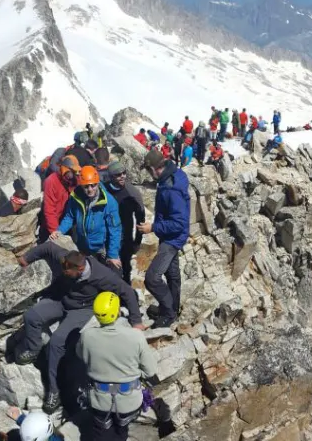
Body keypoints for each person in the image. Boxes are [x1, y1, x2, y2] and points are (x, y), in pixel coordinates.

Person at [15, 243, 144, 412]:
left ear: (81, 269)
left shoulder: (102, 275)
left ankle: (54, 390)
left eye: (67, 271)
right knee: (31, 316)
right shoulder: (67, 258)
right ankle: (33, 348)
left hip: (83, 309)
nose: (63, 271)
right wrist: (26, 258)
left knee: (56, 342)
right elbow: (47, 247)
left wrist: (136, 322)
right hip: (61, 300)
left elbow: (126, 291)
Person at [77, 292, 160, 441]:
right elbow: (150, 371)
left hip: (99, 399)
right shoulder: (135, 336)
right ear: (117, 312)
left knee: (100, 432)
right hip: (128, 401)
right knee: (121, 430)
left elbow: (81, 356)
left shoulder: (86, 336)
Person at [137, 149, 190, 329]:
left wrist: (153, 227)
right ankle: (173, 307)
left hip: (172, 239)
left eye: (148, 170)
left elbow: (179, 223)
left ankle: (168, 314)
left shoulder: (171, 188)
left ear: (154, 168)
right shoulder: (172, 175)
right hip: (170, 235)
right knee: (171, 274)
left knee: (152, 278)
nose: (148, 174)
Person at [57, 166, 122, 270]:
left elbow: (115, 229)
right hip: (83, 247)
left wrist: (113, 255)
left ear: (97, 183)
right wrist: (59, 231)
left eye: (93, 185)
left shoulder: (109, 202)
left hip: (101, 248)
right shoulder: (75, 198)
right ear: (81, 186)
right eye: (86, 186)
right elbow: (70, 217)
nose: (90, 189)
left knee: (111, 274)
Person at [103, 161, 145, 284]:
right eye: (118, 174)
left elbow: (140, 219)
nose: (122, 176)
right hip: (106, 236)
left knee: (125, 269)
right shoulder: (103, 190)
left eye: (124, 173)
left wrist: (137, 241)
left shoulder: (133, 193)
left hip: (125, 237)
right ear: (111, 177)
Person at [41, 156, 80, 242]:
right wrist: (54, 232)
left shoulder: (75, 180)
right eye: (73, 171)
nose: (75, 174)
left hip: (68, 222)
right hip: (53, 224)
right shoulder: (51, 182)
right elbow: (49, 209)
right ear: (65, 170)